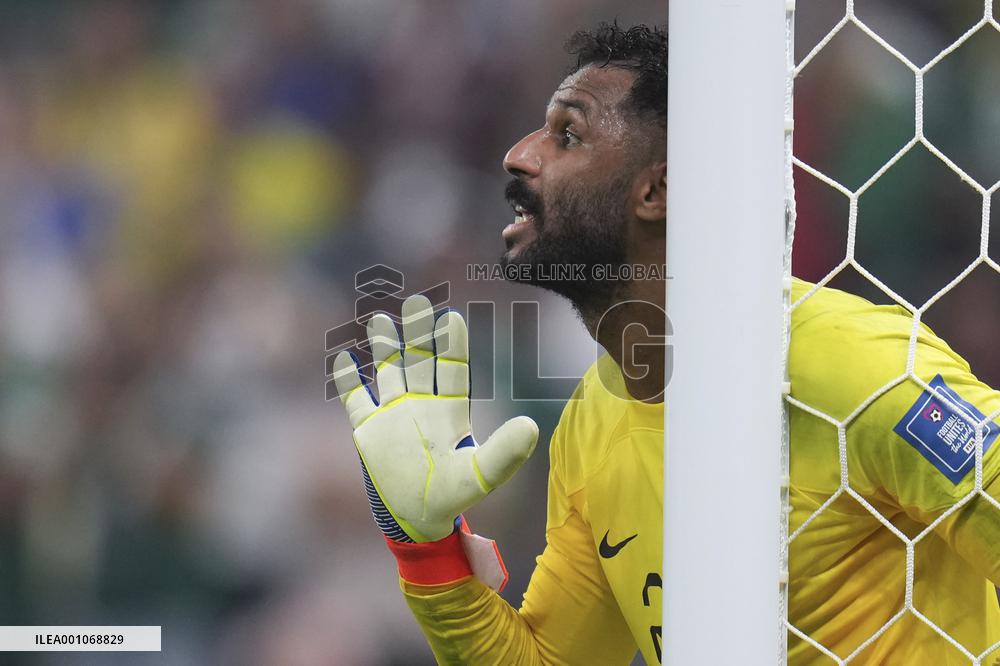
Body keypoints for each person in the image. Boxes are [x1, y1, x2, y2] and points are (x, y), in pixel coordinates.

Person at [332, 23, 1000, 665]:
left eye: (567, 134)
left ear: (658, 189)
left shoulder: (852, 363)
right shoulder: (593, 424)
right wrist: (425, 547)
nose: (519, 154)